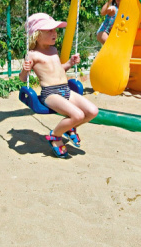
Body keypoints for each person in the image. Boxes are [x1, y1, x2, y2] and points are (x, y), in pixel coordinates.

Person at [20, 13, 99, 158]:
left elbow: (59, 70)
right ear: (37, 35)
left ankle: (69, 128)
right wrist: (25, 70)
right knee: (78, 115)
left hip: (65, 89)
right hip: (50, 94)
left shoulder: (53, 50)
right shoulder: (32, 55)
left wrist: (70, 63)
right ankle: (55, 136)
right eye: (50, 30)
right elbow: (22, 78)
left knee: (92, 111)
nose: (55, 33)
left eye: (55, 30)